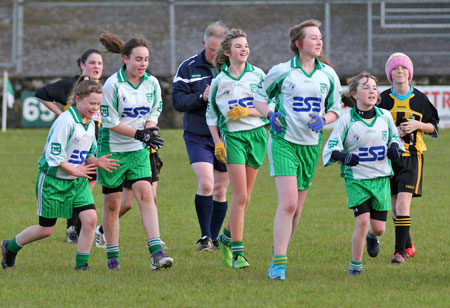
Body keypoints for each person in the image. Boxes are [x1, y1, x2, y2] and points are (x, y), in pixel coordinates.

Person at [253, 19, 342, 280]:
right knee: (289, 203)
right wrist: (269, 114)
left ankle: (280, 249)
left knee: (297, 209)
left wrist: (324, 120)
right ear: (299, 43)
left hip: (310, 146)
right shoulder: (282, 71)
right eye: (313, 37)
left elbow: (336, 107)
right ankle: (278, 263)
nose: (319, 41)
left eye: (320, 37)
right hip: (283, 142)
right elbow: (259, 98)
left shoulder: (328, 74)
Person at [1, 78, 119, 271]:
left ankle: (82, 266)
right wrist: (77, 170)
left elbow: (88, 153)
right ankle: (10, 247)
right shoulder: (66, 120)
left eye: (98, 104)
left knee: (90, 219)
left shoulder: (90, 122)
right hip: (53, 181)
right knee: (45, 230)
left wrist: (97, 161)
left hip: (76, 181)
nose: (95, 108)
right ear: (78, 99)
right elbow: (54, 156)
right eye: (91, 103)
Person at [97, 32, 172, 270]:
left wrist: (149, 132)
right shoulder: (112, 85)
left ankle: (157, 253)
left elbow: (152, 114)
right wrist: (140, 134)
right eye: (138, 59)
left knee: (146, 195)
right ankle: (112, 257)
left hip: (138, 150)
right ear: (125, 59)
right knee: (112, 205)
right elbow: (110, 122)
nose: (142, 64)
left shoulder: (152, 84)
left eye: (146, 59)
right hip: (113, 150)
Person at [323, 72, 404, 275]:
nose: (372, 91)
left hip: (380, 179)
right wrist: (344, 157)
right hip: (357, 179)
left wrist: (394, 147)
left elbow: (395, 138)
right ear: (354, 94)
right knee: (362, 221)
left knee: (378, 228)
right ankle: (355, 267)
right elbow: (331, 148)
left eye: (374, 88)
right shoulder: (346, 120)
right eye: (366, 87)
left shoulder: (384, 116)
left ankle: (372, 236)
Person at [206, 29, 268, 269]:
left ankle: (224, 238)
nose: (244, 49)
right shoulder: (219, 81)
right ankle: (239, 253)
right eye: (239, 46)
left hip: (257, 136)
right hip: (233, 138)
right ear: (227, 52)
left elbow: (268, 106)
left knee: (246, 198)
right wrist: (217, 141)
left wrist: (249, 111)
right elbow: (211, 114)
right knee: (239, 196)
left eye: (246, 45)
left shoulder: (259, 76)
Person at [35, 49, 103, 244]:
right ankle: (72, 228)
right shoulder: (71, 89)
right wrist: (60, 113)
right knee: (46, 227)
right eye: (92, 62)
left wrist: (98, 158)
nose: (96, 66)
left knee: (86, 195)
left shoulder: (100, 91)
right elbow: (41, 93)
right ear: (82, 64)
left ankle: (77, 240)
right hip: (67, 154)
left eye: (100, 63)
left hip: (88, 147)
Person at [172, 21, 230, 251]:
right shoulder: (187, 67)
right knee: (206, 183)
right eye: (211, 50)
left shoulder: (234, 68)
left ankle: (214, 239)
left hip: (226, 136)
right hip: (198, 135)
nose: (215, 55)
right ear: (204, 43)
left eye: (220, 51)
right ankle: (205, 237)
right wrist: (200, 97)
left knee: (221, 189)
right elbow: (177, 101)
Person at [378, 53, 439, 264]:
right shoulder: (383, 99)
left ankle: (398, 252)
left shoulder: (421, 99)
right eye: (395, 69)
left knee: (403, 204)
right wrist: (393, 132)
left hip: (412, 157)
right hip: (389, 158)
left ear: (409, 73)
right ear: (390, 74)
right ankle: (409, 245)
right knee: (394, 208)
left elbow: (434, 126)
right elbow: (375, 129)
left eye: (403, 68)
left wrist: (418, 125)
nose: (400, 71)